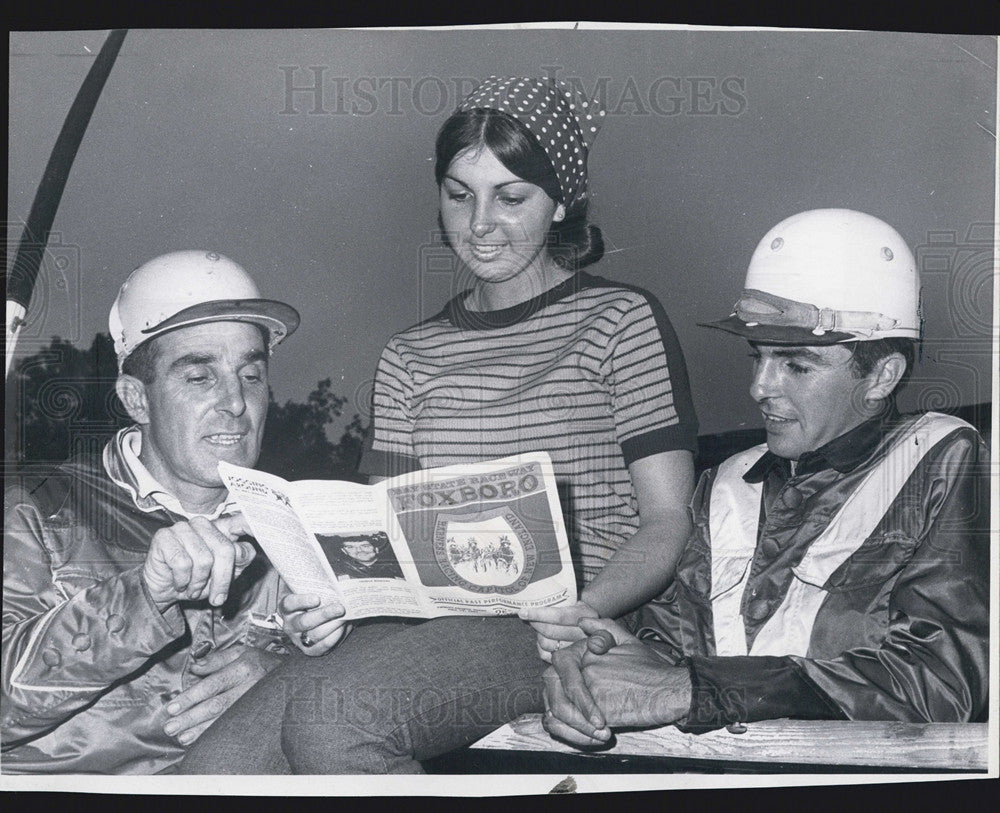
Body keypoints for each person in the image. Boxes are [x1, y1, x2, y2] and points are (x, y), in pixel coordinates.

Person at [178, 76, 698, 774]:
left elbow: (666, 520)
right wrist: (332, 602)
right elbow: (379, 533)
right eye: (459, 194)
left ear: (562, 202)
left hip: (560, 620)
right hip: (424, 620)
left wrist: (582, 608)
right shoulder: (410, 355)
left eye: (510, 198)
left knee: (338, 727)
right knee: (214, 770)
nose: (479, 223)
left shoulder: (621, 321)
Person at [540, 209, 990, 748]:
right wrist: (595, 662)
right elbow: (663, 645)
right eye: (758, 358)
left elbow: (940, 680)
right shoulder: (727, 483)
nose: (759, 387)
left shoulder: (945, 458)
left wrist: (691, 690)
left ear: (881, 375)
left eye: (795, 365)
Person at [1, 251, 341, 773]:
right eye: (200, 377)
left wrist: (287, 672)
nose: (234, 403)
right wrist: (144, 596)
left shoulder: (301, 523)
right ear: (137, 399)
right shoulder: (34, 508)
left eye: (251, 375)